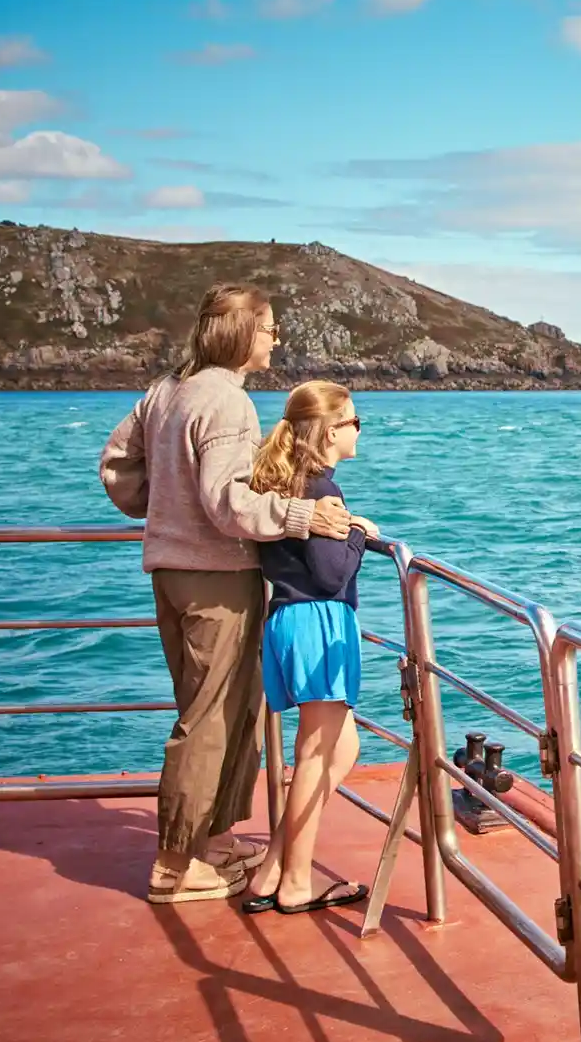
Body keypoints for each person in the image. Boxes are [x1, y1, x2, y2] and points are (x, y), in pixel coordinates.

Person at [99, 284, 353, 904]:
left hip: (171, 570)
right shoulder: (227, 402)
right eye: (268, 329)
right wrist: (302, 517)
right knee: (210, 718)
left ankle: (210, 840)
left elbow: (116, 466)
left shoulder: (165, 390)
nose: (275, 339)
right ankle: (175, 865)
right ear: (242, 332)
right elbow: (227, 502)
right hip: (215, 577)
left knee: (220, 708)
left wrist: (164, 510)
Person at [239, 381, 378, 915]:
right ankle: (296, 883)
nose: (359, 431)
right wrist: (360, 534)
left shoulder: (283, 480)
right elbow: (329, 574)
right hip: (318, 620)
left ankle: (274, 865)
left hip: (286, 619)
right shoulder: (323, 491)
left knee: (341, 750)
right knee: (317, 756)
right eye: (354, 422)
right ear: (331, 430)